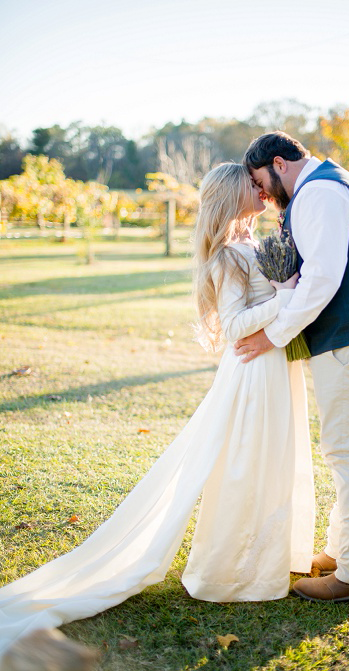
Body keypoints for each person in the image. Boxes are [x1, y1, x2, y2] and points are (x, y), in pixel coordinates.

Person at [0, 162, 314, 654]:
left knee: (273, 461)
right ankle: (231, 573)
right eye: (253, 186)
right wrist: (287, 295)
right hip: (253, 373)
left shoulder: (255, 244)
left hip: (274, 368)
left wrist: (287, 293)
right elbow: (234, 327)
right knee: (245, 465)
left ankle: (272, 557)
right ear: (233, 196)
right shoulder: (228, 256)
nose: (263, 189)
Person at [236, 132, 349, 603]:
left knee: (346, 451)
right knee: (348, 446)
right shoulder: (330, 182)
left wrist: (271, 336)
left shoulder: (317, 193)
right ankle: (342, 552)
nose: (261, 193)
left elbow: (321, 279)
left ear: (279, 163)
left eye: (261, 181)